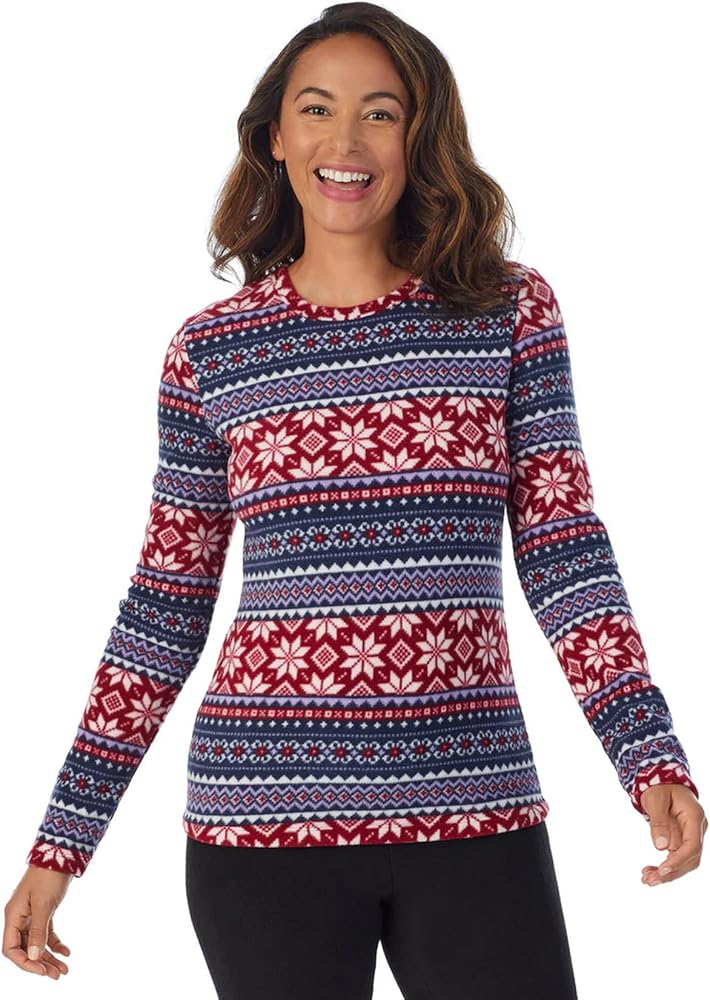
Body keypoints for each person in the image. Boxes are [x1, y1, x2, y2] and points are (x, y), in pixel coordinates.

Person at [4, 3, 706, 997]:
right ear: (275, 136)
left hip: (475, 806)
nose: (346, 140)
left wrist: (647, 752)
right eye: (317, 109)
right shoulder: (212, 351)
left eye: (380, 113)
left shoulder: (506, 312)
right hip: (261, 823)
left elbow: (562, 547)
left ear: (420, 137)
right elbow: (164, 608)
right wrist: (61, 844)